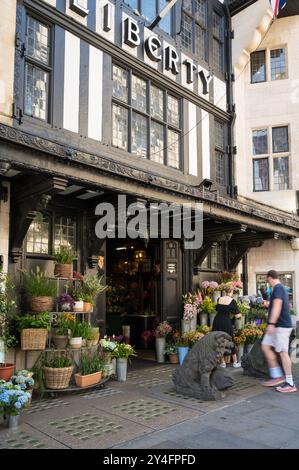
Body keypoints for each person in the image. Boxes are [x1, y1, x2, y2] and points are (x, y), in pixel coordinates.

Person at [261, 270, 297, 393]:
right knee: (265, 346)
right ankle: (277, 376)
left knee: (283, 352)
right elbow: (276, 305)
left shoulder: (277, 288)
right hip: (277, 326)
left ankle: (290, 383)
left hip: (280, 326)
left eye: (267, 280)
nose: (267, 282)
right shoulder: (279, 289)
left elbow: (277, 306)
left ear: (270, 278)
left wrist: (271, 323)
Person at [212, 289, 242, 368]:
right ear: (231, 292)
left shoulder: (219, 299)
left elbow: (217, 309)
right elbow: (238, 315)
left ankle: (223, 363)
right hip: (226, 322)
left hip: (217, 321)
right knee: (229, 340)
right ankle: (235, 362)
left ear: (225, 292)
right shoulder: (232, 301)